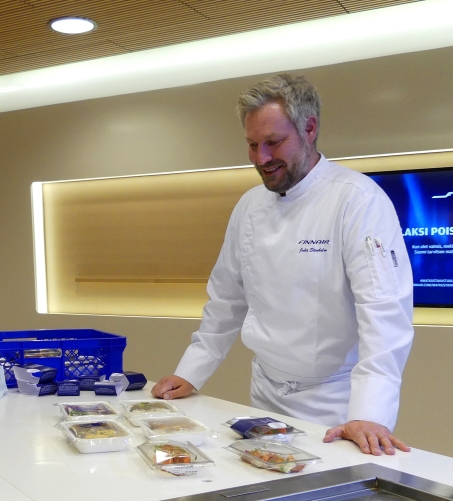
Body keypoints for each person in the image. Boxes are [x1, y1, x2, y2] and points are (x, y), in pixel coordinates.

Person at [152, 74, 414, 456]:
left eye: (274, 143)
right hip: (264, 393)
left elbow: (383, 313)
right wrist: (190, 372)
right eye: (253, 145)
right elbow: (226, 300)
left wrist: (370, 413)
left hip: (335, 405)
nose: (261, 159)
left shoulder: (357, 201)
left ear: (310, 128)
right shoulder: (249, 207)